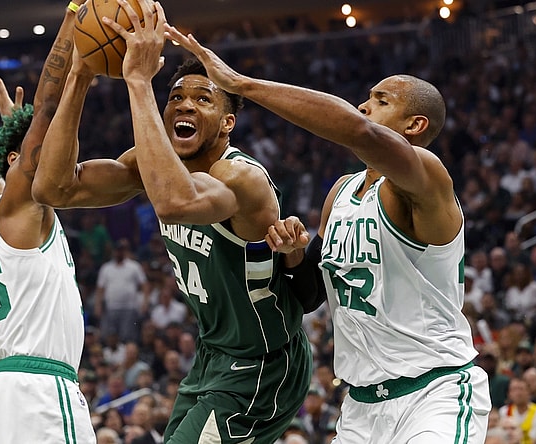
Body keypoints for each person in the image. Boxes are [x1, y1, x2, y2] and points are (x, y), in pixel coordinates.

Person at [163, 19, 492, 443]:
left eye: (381, 100)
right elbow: (311, 296)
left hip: (436, 392)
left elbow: (357, 132)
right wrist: (294, 253)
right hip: (360, 406)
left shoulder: (426, 177)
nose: (363, 107)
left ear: (414, 126)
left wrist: (241, 85)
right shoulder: (342, 191)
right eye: (366, 99)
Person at [32, 1, 324, 442]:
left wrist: (137, 80)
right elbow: (54, 189)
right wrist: (81, 74)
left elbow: (173, 202)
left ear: (227, 124)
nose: (184, 106)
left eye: (202, 99)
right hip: (214, 355)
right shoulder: (154, 165)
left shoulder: (240, 177)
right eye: (176, 98)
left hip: (263, 363)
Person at [0, 2, 96, 443]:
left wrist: (8, 129)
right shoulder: (23, 205)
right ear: (18, 161)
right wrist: (73, 20)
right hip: (39, 387)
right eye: (30, 154)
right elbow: (47, 106)